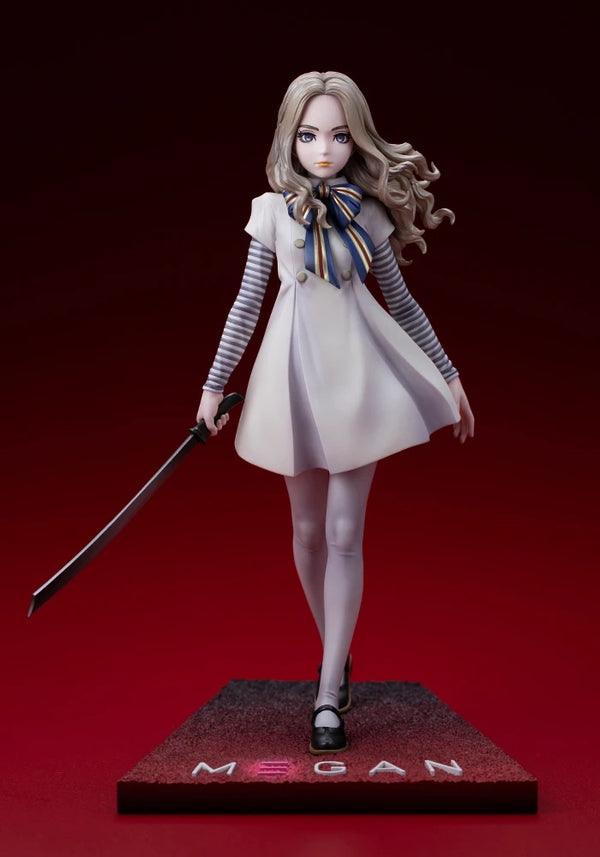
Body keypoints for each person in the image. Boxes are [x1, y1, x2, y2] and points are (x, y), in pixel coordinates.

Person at [196, 71, 474, 754]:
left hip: (356, 378)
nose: (324, 150)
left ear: (358, 140)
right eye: (310, 135)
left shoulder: (368, 215)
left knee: (346, 533)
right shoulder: (270, 212)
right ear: (289, 138)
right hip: (292, 376)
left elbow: (402, 303)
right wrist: (213, 384)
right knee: (307, 532)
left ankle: (327, 694)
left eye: (340, 136)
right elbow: (246, 303)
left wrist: (449, 373)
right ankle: (337, 654)